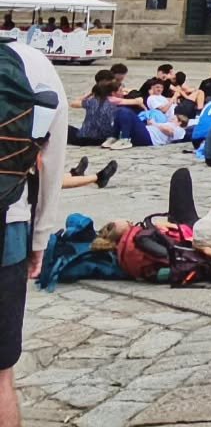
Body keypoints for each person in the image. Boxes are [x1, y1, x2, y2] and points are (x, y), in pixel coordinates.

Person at [1, 40, 66, 427]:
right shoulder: (35, 64)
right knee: (0, 376)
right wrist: (40, 239)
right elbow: (51, 165)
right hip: (7, 225)